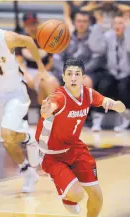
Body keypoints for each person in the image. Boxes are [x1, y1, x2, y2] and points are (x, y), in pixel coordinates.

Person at [35, 59, 126, 217]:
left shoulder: (88, 94)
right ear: (63, 77)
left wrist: (117, 105)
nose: (73, 77)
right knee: (77, 195)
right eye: (69, 74)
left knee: (97, 197)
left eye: (77, 74)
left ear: (84, 78)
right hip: (52, 154)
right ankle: (67, 195)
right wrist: (48, 109)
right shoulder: (59, 97)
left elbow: (105, 101)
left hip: (75, 148)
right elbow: (52, 105)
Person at [0, 6, 45, 193]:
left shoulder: (6, 38)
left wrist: (40, 67)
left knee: (7, 136)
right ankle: (28, 162)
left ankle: (28, 149)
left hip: (15, 92)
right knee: (8, 141)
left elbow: (30, 41)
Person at [88, 12, 130, 132]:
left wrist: (127, 31)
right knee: (104, 85)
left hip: (126, 73)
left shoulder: (128, 35)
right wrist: (98, 26)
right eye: (115, 23)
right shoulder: (108, 36)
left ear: (125, 24)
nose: (117, 26)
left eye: (121, 23)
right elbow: (96, 48)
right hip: (111, 72)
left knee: (124, 88)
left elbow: (128, 48)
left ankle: (125, 120)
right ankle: (97, 120)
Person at [15, 12, 59, 105]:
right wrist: (26, 76)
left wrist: (39, 74)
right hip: (28, 70)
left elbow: (51, 62)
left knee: (51, 83)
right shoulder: (21, 40)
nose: (32, 27)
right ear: (24, 25)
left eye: (34, 24)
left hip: (45, 70)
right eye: (29, 25)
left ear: (38, 23)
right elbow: (19, 62)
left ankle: (49, 112)